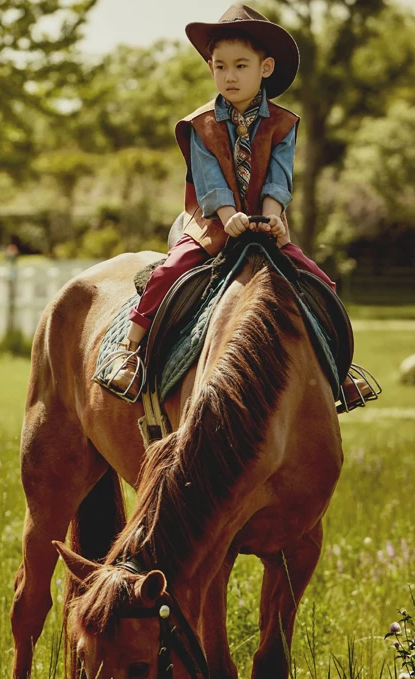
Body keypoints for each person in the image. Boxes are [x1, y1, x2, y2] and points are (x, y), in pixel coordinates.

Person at [108, 4, 375, 409]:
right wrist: (227, 215)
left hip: (265, 223)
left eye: (240, 66)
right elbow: (209, 179)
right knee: (168, 273)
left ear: (265, 68)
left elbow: (279, 177)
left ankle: (340, 370)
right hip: (213, 224)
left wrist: (273, 216)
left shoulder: (283, 123)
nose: (229, 76)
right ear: (210, 68)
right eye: (220, 66)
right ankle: (130, 351)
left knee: (321, 282)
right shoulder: (200, 124)